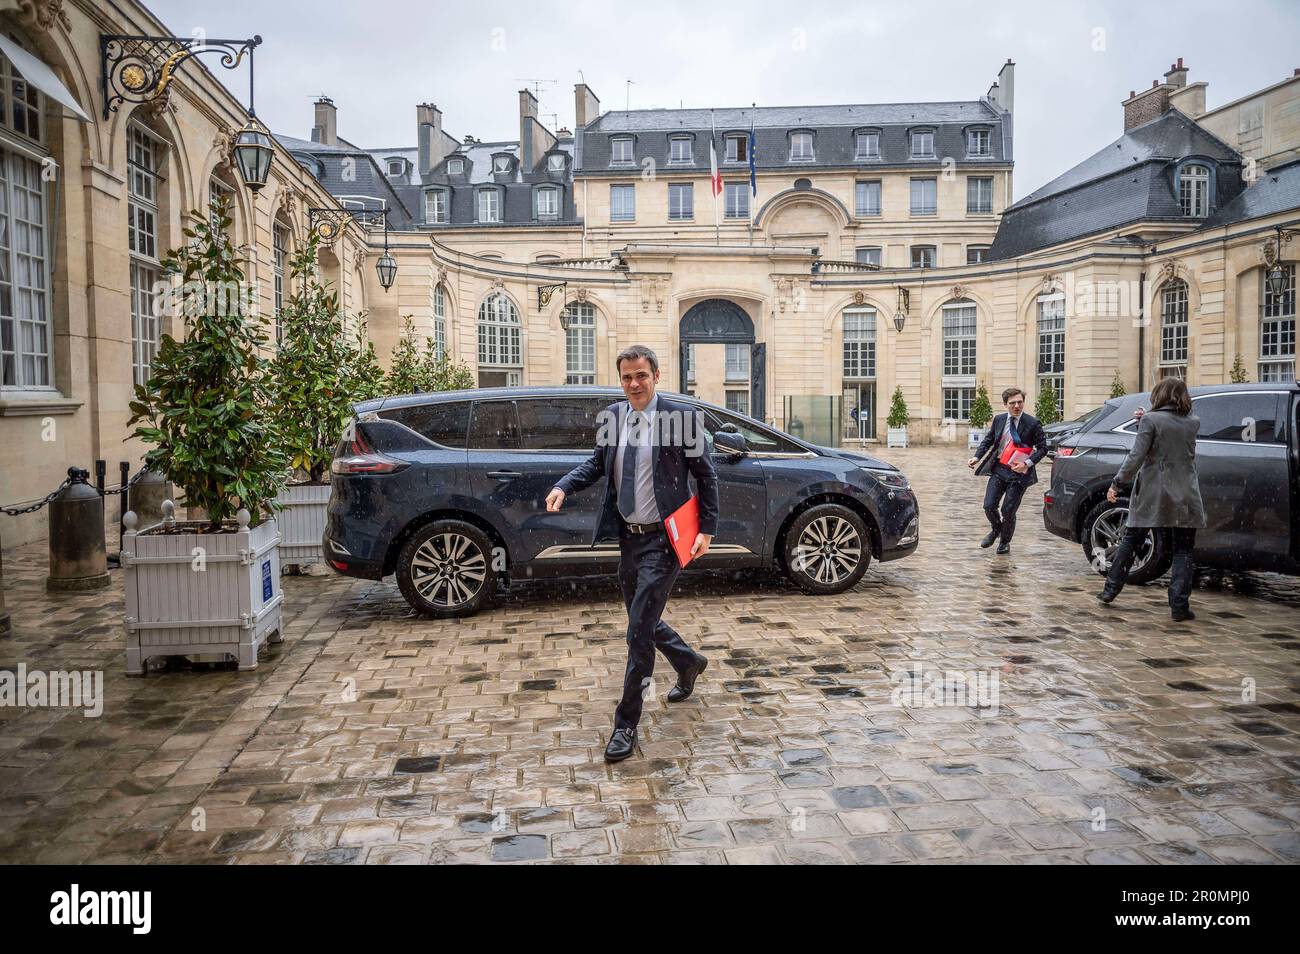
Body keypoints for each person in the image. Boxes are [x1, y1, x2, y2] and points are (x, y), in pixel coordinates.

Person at [545, 345, 720, 763]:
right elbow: (596, 464)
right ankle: (688, 660)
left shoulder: (681, 420)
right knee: (641, 619)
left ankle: (626, 724)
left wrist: (708, 530)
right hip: (628, 537)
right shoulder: (612, 417)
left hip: (665, 540)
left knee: (638, 632)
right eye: (626, 377)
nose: (634, 384)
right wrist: (564, 485)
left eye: (641, 375)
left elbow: (706, 476)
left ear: (656, 376)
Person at [1097, 377, 1205, 622]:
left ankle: (1109, 591)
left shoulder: (1150, 420)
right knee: (1183, 551)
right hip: (1185, 492)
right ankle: (1179, 606)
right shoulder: (1193, 422)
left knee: (1131, 541)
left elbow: (1137, 456)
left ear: (1159, 395)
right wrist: (1144, 421)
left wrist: (1117, 483)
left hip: (1153, 491)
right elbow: (1171, 433)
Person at [967, 387, 1049, 554]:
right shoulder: (999, 420)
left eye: (1020, 402)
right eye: (1012, 403)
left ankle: (1004, 542)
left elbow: (1043, 449)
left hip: (1019, 473)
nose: (1017, 406)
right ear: (1005, 404)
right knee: (989, 505)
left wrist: (1027, 463)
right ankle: (996, 529)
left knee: (1008, 510)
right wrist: (977, 457)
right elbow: (989, 440)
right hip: (999, 469)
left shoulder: (1032, 423)